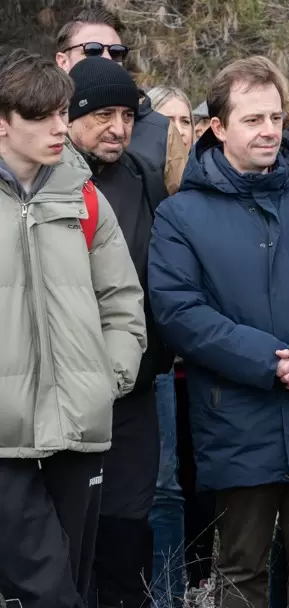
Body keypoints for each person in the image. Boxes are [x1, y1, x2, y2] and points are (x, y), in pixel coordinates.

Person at [148, 55, 289, 608]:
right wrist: (271, 361)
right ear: (218, 128)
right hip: (235, 417)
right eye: (252, 120)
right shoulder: (181, 215)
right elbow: (180, 312)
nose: (269, 130)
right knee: (241, 569)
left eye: (275, 117)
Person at [0, 49, 145, 608]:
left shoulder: (84, 194)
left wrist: (103, 380)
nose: (61, 127)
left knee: (74, 586)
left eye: (63, 112)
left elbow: (122, 301)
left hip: (78, 430)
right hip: (6, 442)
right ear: (4, 122)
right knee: (46, 590)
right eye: (43, 116)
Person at [67, 56, 174, 608]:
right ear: (67, 115)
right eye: (103, 114)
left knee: (128, 526)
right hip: (63, 391)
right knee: (69, 535)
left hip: (135, 387)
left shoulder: (142, 176)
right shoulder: (47, 180)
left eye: (127, 115)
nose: (118, 128)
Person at [146, 85, 196, 607]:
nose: (177, 132)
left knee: (177, 486)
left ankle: (175, 593)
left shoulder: (197, 191)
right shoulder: (134, 185)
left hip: (194, 365)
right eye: (166, 121)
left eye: (186, 121)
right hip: (151, 361)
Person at [55, 6, 188, 194]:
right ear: (62, 61)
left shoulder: (160, 130)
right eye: (93, 50)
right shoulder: (36, 124)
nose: (108, 58)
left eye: (116, 52)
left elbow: (184, 209)